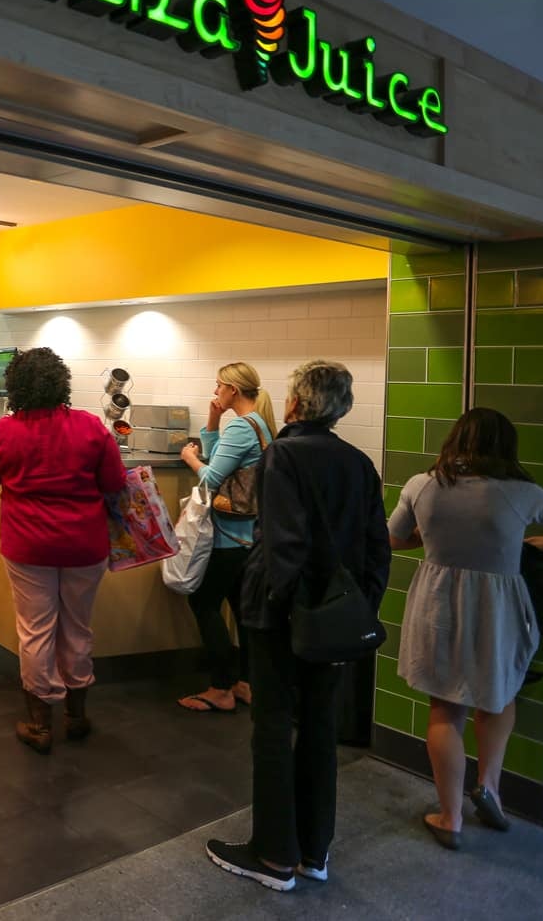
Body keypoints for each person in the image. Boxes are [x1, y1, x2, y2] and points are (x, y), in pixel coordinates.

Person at [208, 360, 389, 892]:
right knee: (319, 728)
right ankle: (314, 850)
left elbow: (284, 546)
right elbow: (377, 548)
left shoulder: (283, 456)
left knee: (271, 728)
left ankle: (273, 855)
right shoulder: (358, 463)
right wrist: (357, 606)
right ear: (342, 407)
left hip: (282, 618)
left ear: (294, 403)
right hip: (338, 618)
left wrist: (281, 609)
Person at [390, 408, 543, 849]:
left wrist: (429, 536)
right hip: (499, 607)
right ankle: (490, 788)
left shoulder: (421, 485)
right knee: (501, 693)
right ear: (506, 446)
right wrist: (540, 542)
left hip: (437, 603)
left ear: (455, 439)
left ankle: (449, 817)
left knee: (445, 708)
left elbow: (391, 537)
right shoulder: (523, 493)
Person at [0, 348, 128, 753]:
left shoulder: (3, 432)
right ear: (62, 383)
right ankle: (76, 717)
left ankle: (39, 723)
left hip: (27, 546)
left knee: (35, 630)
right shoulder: (91, 427)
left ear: (16, 387)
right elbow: (114, 481)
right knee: (78, 627)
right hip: (84, 545)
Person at [177, 362, 276, 714]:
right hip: (250, 537)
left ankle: (220, 688)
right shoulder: (258, 424)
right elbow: (222, 457)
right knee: (240, 609)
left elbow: (211, 477)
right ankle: (245, 682)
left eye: (219, 385)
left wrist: (190, 458)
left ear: (233, 390)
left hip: (228, 537)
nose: (215, 390)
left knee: (203, 603)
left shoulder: (241, 427)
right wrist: (212, 420)